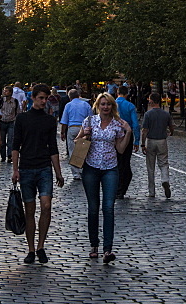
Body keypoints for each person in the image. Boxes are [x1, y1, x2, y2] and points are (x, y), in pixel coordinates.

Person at [12, 84, 64, 264]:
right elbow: (15, 145)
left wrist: (58, 172)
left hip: (44, 168)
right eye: (41, 98)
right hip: (26, 168)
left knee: (46, 205)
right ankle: (31, 249)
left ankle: (41, 245)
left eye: (46, 98)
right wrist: (15, 169)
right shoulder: (22, 119)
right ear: (33, 98)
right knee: (30, 210)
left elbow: (53, 148)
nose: (44, 101)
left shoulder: (49, 120)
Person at [76, 92, 131, 263]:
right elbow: (77, 143)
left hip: (110, 169)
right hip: (91, 168)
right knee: (93, 208)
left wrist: (128, 132)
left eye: (108, 104)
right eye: (102, 104)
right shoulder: (89, 121)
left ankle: (108, 249)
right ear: (97, 106)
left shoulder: (117, 124)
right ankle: (94, 245)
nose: (105, 107)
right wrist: (83, 134)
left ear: (112, 106)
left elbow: (121, 149)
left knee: (108, 208)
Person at [141, 91, 174, 199]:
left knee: (150, 167)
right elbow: (171, 126)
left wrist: (142, 144)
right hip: (162, 141)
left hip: (151, 141)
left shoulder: (148, 114)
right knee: (164, 163)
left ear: (151, 101)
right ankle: (165, 180)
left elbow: (145, 130)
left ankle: (152, 191)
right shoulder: (166, 114)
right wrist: (171, 132)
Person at [59, 89, 93, 180]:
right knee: (83, 149)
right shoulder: (86, 105)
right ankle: (83, 168)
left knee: (72, 150)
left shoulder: (68, 105)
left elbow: (64, 121)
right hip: (83, 128)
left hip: (72, 128)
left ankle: (75, 173)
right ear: (79, 95)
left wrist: (62, 132)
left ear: (69, 97)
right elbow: (91, 118)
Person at [115, 84, 140, 199]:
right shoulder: (130, 106)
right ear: (127, 94)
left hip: (114, 135)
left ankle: (116, 187)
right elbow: (135, 124)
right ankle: (122, 188)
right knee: (125, 161)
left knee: (115, 161)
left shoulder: (112, 104)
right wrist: (137, 140)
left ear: (117, 93)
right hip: (126, 135)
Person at [0, 85, 19, 163]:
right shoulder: (1, 101)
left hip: (11, 122)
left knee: (11, 140)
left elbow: (18, 112)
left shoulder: (15, 101)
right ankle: (3, 156)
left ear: (10, 93)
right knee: (2, 140)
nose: (4, 92)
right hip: (2, 122)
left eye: (6, 91)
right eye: (4, 91)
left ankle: (9, 156)